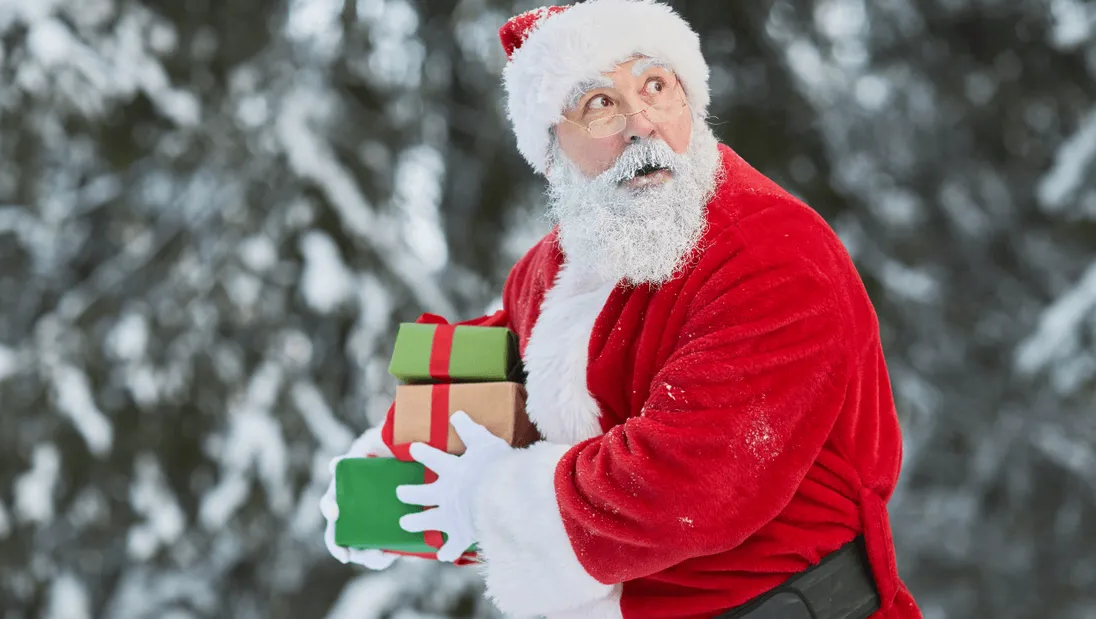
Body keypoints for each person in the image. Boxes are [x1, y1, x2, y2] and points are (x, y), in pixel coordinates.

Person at [321, 1, 923, 618]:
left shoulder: (774, 254)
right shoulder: (556, 266)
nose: (641, 124)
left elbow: (689, 483)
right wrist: (384, 477)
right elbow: (489, 390)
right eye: (599, 104)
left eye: (656, 86)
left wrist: (486, 504)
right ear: (553, 149)